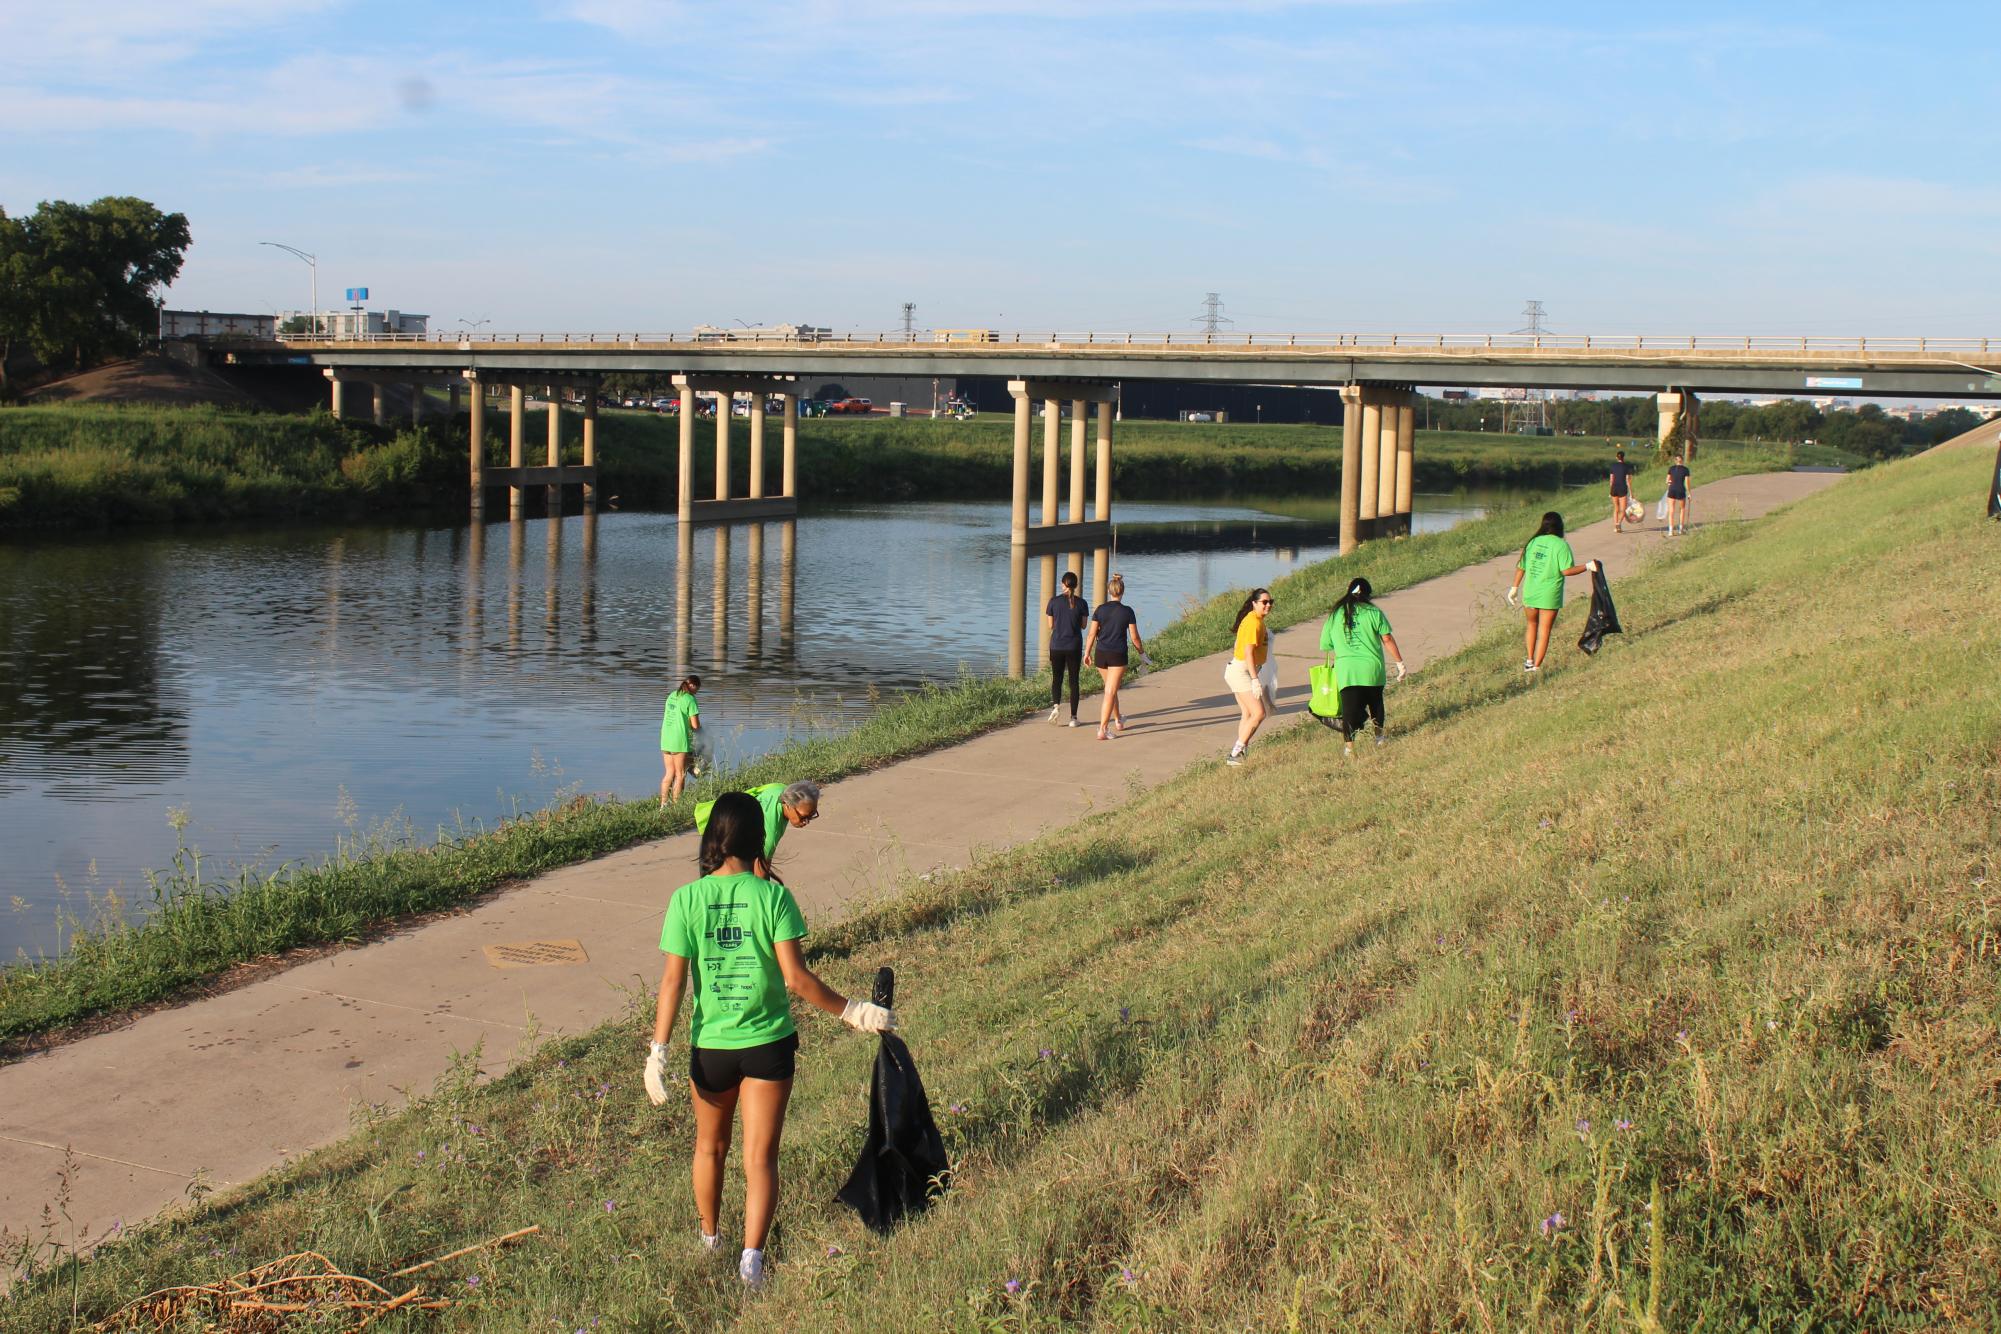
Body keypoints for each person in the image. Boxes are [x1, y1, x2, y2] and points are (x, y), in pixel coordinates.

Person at [644, 791, 896, 1289]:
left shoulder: (686, 900)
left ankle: (710, 1237)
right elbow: (797, 980)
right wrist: (852, 1011)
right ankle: (751, 1260)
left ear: (714, 836)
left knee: (708, 1149)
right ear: (756, 837)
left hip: (711, 1049)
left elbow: (673, 983)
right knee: (760, 1158)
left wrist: (658, 1052)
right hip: (768, 1045)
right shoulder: (773, 897)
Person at [1319, 577, 1407, 757]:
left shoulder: (1335, 614)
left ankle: (1349, 748)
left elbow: (1326, 644)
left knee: (1349, 710)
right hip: (1372, 668)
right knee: (1376, 704)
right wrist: (1400, 663)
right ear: (1367, 594)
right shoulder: (1374, 612)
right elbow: (1387, 639)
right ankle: (1379, 738)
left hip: (1347, 671)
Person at [1506, 512, 1599, 672]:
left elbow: (1521, 566)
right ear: (1560, 527)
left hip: (1530, 592)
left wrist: (1514, 588)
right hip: (1549, 594)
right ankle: (1536, 667)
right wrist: (1588, 566)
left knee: (1531, 624)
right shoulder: (1561, 545)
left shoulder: (1533, 542)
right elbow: (1567, 571)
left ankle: (1529, 660)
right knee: (1544, 630)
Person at [695, 780, 820, 882]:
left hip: (724, 823)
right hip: (717, 839)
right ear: (787, 804)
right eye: (803, 816)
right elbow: (760, 872)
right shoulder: (771, 826)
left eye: (812, 815)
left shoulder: (782, 789)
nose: (806, 821)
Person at [1084, 573, 1144, 741]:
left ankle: (1118, 720)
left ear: (1109, 591)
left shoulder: (1100, 609)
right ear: (1122, 591)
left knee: (1111, 689)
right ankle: (1102, 729)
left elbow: (1091, 634)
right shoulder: (1127, 611)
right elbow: (1135, 638)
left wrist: (1087, 653)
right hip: (1117, 654)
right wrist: (1142, 654)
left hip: (1101, 654)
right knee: (1110, 691)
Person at [1223, 588, 1273, 765]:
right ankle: (1236, 753)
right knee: (1259, 713)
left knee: (1247, 713)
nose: (1268, 605)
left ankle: (1241, 751)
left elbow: (1239, 643)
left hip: (1239, 669)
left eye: (1270, 602)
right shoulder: (1254, 623)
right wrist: (1254, 679)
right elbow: (1248, 652)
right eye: (1264, 602)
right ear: (1254, 603)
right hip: (1242, 671)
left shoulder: (1255, 620)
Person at [1045, 570, 1089, 727]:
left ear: (1063, 584)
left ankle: (1056, 706)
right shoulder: (1082, 603)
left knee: (1057, 679)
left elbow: (1051, 625)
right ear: (1076, 586)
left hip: (1056, 645)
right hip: (1074, 646)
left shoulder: (1053, 602)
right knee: (1074, 681)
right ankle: (1073, 718)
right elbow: (1083, 626)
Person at [659, 676, 702, 807]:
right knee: (680, 774)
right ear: (693, 686)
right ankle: (677, 806)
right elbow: (695, 726)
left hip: (666, 738)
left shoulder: (672, 695)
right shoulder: (690, 699)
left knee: (669, 774)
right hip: (679, 740)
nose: (697, 692)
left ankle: (663, 805)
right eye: (697, 689)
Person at [1608, 448, 1635, 533]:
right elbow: (1628, 481)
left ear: (1617, 457)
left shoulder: (1613, 466)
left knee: (1616, 508)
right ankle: (1618, 524)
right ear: (1623, 457)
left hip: (1614, 489)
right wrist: (1631, 493)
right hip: (1622, 488)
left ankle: (1616, 526)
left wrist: (1610, 491)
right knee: (1623, 509)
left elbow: (1611, 480)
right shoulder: (1627, 467)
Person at [1665, 452, 1692, 535]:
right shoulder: (1686, 470)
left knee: (1671, 510)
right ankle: (1680, 529)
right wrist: (1689, 493)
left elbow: (1667, 481)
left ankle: (1670, 530)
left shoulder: (1671, 468)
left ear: (1675, 461)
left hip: (1672, 489)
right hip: (1681, 490)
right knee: (1682, 509)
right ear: (1682, 460)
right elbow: (1687, 483)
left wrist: (1670, 483)